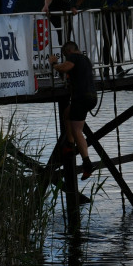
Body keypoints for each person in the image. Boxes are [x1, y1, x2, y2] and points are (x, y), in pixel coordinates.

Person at [48, 41, 97, 180]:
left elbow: (65, 68)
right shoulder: (85, 60)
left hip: (81, 98)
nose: (65, 58)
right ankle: (70, 145)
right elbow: (70, 73)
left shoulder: (74, 57)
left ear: (69, 51)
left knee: (77, 131)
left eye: (65, 55)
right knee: (67, 114)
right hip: (91, 97)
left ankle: (87, 163)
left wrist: (53, 64)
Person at [99, 0, 132, 74]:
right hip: (108, 14)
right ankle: (106, 68)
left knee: (120, 41)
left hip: (121, 15)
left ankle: (119, 66)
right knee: (108, 42)